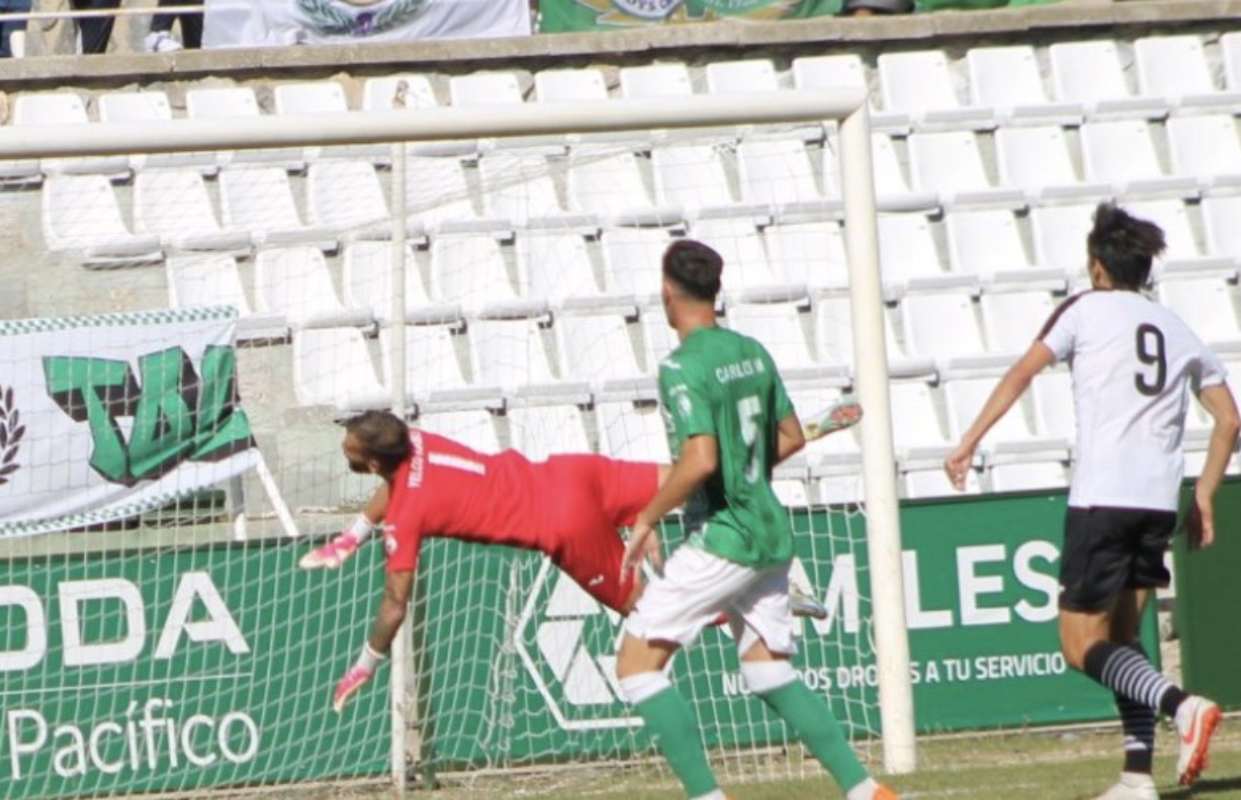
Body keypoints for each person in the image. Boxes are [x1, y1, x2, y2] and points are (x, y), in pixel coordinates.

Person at [944, 203, 1238, 799]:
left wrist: (969, 440)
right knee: (1124, 639)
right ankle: (1136, 778)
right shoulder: (1176, 327)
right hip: (1156, 500)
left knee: (1080, 646)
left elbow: (1022, 374)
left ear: (1097, 266)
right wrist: (1203, 493)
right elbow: (1229, 419)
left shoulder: (1083, 309)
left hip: (1104, 496)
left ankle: (1181, 706)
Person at [317, 405, 860, 713]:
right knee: (690, 475)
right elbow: (396, 482)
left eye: (350, 452)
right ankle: (785, 439)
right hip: (571, 473)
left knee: (656, 614)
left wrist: (365, 664)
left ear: (372, 459)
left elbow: (394, 607)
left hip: (563, 528)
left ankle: (755, 601)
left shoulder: (406, 514)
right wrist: (355, 534)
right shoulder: (414, 439)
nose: (346, 454)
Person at [614, 240, 897, 800]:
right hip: (770, 531)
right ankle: (867, 792)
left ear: (668, 293)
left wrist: (646, 518)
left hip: (726, 536)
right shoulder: (752, 350)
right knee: (768, 671)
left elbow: (700, 459)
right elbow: (788, 437)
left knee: (636, 666)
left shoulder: (679, 366)